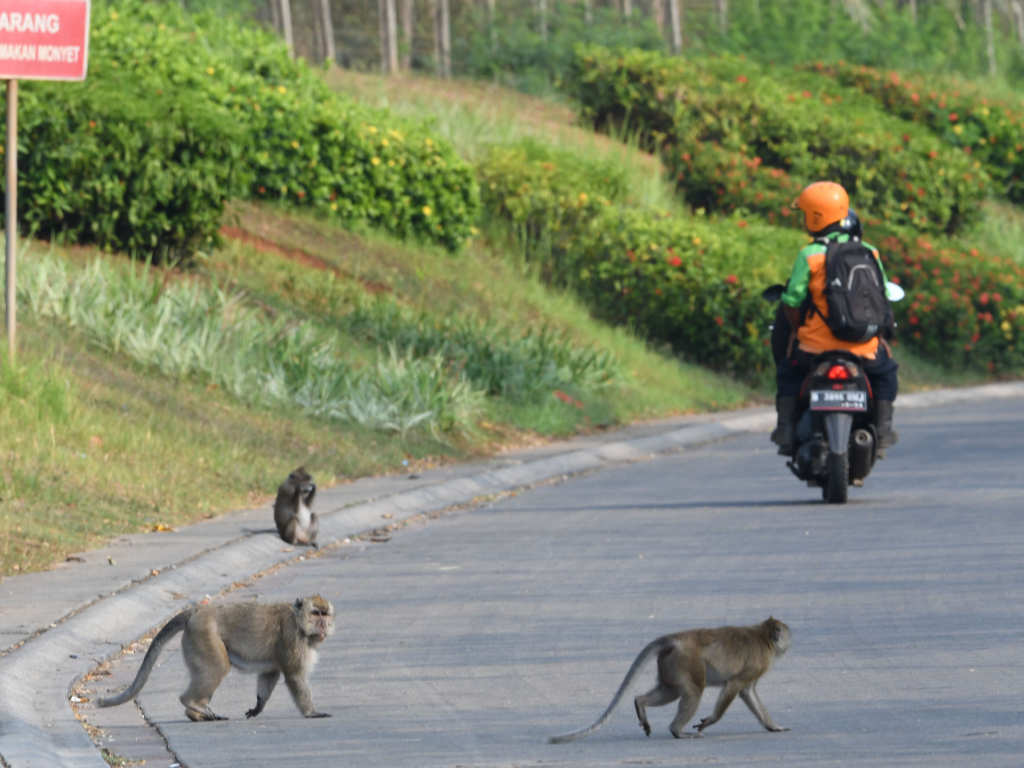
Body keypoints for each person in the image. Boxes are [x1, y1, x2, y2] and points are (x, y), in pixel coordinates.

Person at [771, 181, 899, 457]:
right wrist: (879, 337)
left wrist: (795, 331)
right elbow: (882, 297)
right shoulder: (870, 252)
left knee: (789, 373)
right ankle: (884, 428)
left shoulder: (810, 255)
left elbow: (792, 301)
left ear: (816, 217)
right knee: (885, 374)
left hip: (816, 348)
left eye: (804, 214)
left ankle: (785, 429)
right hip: (863, 348)